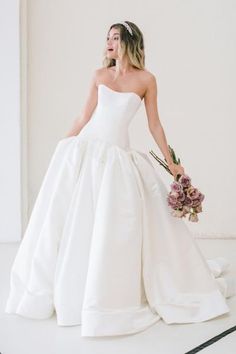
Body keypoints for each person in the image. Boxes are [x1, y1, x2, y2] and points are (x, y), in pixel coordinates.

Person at [5, 20, 235, 337]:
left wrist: (173, 164)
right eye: (107, 38)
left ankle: (109, 289)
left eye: (115, 37)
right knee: (76, 219)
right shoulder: (99, 76)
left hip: (117, 157)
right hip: (87, 152)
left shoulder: (146, 80)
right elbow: (83, 117)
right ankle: (73, 288)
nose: (109, 42)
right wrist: (64, 146)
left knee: (114, 224)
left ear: (129, 41)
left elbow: (155, 125)